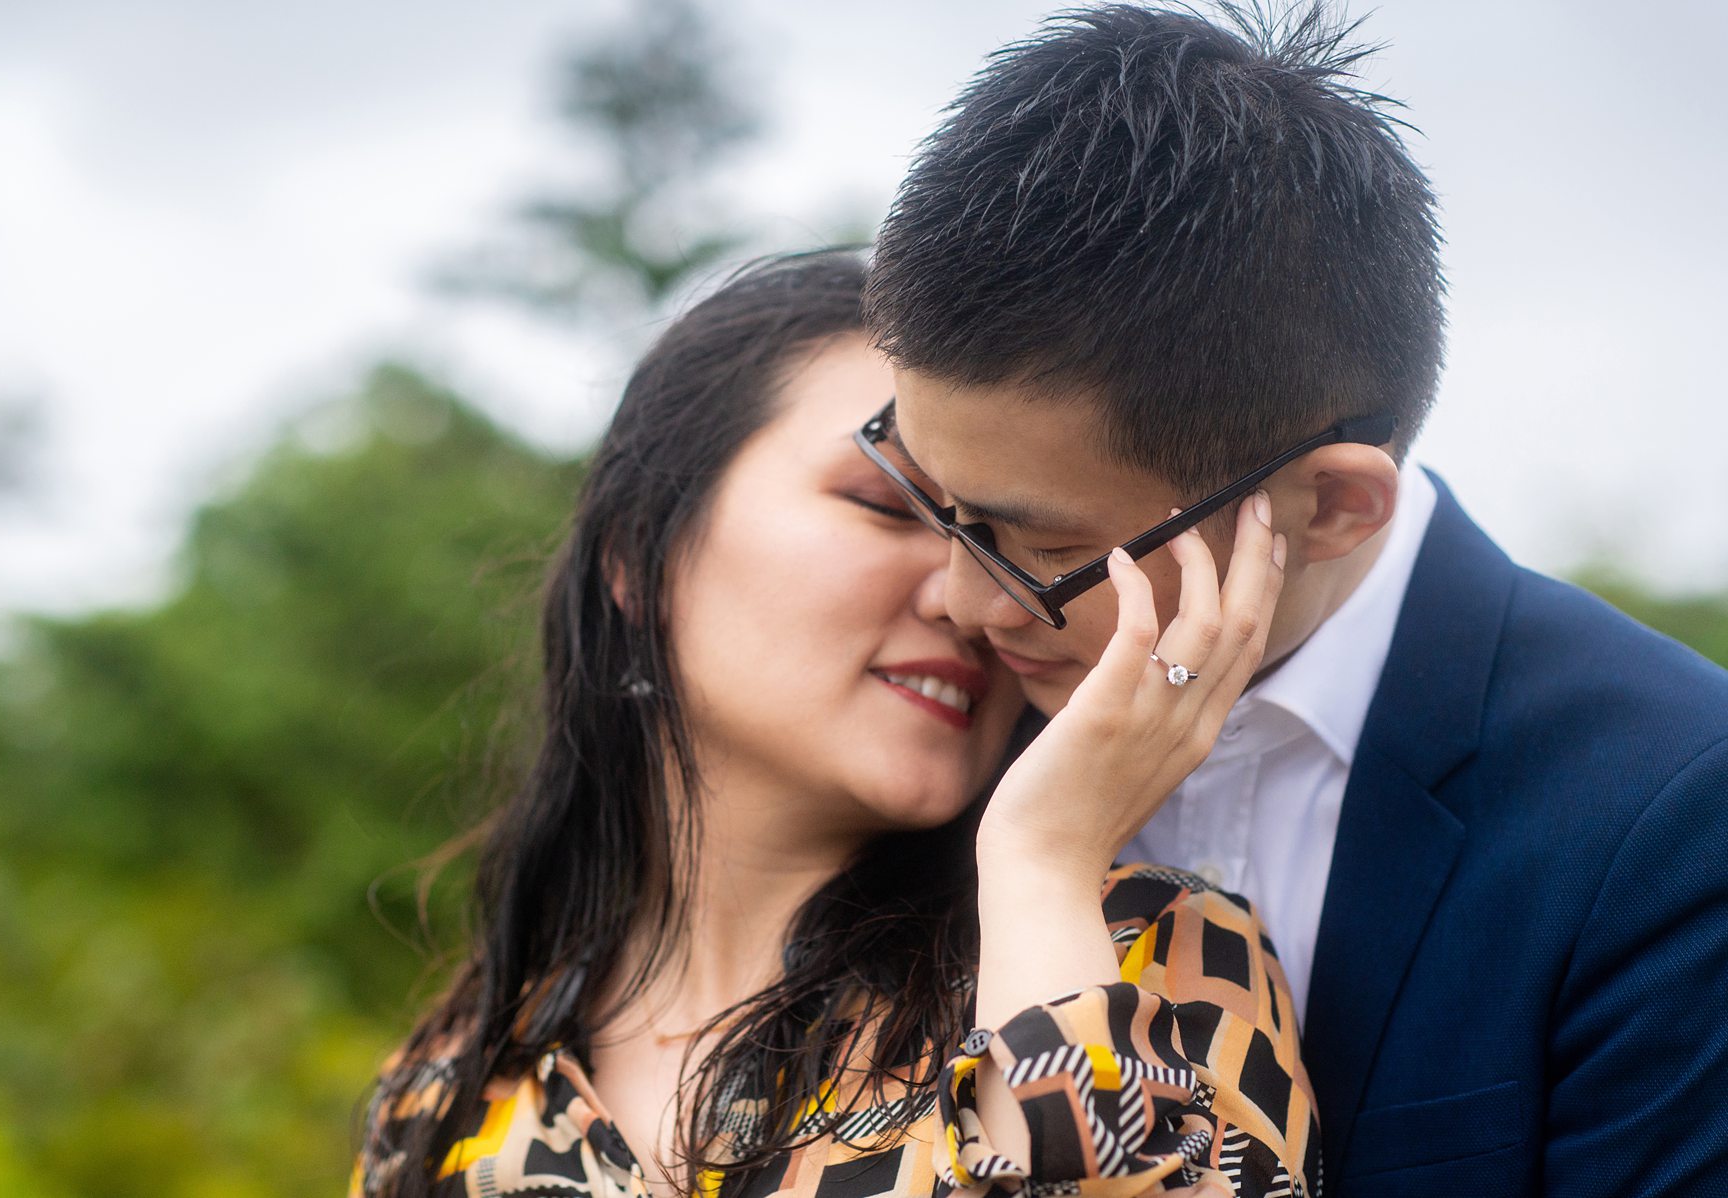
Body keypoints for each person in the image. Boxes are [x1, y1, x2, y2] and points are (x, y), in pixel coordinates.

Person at [859, 5, 1728, 1196]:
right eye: (929, 498)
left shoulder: (1669, 817)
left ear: (1330, 508)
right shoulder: (926, 727)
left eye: (1039, 543)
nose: (961, 600)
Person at [351, 252, 1321, 1198]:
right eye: (886, 505)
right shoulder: (452, 1089)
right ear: (637, 551)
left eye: (1018, 547)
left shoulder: (1147, 956)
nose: (968, 598)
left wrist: (1040, 860)